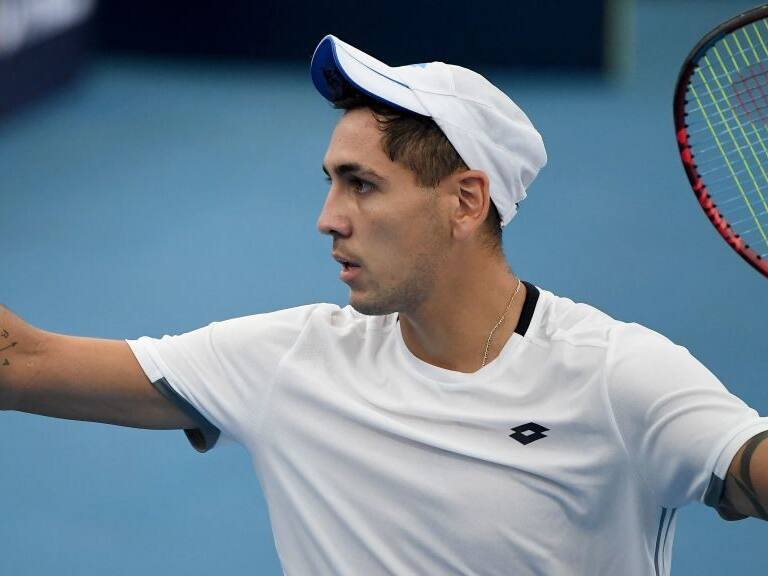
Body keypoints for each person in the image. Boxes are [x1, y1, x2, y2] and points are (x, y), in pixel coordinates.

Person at [1, 34, 766, 576]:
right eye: (330, 182)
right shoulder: (286, 362)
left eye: (362, 185)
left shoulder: (618, 377)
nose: (327, 219)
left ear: (465, 202)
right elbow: (21, 362)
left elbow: (749, 470)